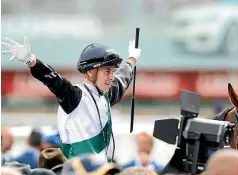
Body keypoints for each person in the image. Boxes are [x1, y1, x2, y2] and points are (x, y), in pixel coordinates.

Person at [1, 36, 141, 161]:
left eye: (112, 71)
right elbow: (54, 80)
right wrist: (31, 61)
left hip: (101, 173)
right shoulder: (75, 96)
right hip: (77, 174)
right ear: (90, 71)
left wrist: (132, 59)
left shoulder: (106, 96)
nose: (111, 77)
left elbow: (123, 78)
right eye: (107, 71)